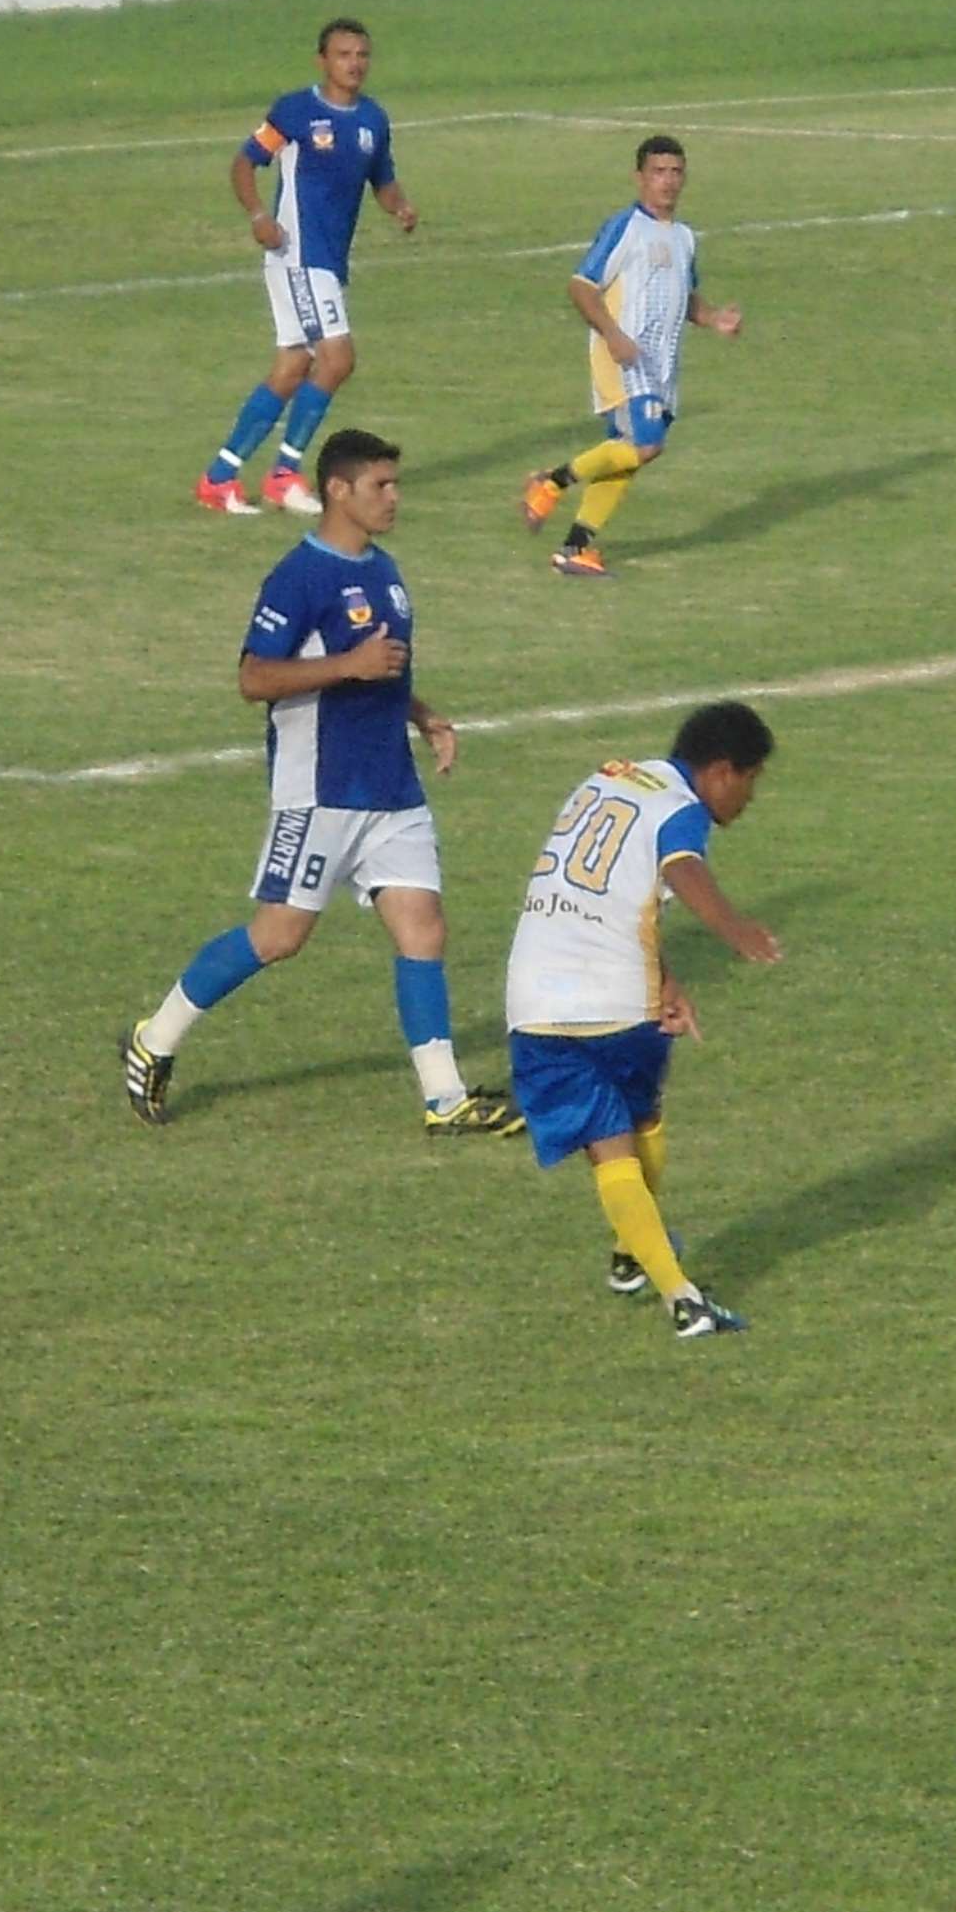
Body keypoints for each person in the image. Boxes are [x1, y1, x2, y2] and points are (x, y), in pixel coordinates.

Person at [126, 428, 523, 1136]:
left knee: (423, 928)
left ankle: (444, 1098)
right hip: (319, 790)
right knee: (279, 936)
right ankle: (156, 1037)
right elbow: (254, 678)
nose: (395, 497)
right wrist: (347, 667)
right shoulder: (298, 578)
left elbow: (385, 668)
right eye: (381, 485)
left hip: (391, 788)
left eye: (396, 483)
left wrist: (423, 715)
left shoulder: (387, 571)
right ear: (338, 490)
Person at [506, 701, 782, 1340]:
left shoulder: (607, 779)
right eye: (752, 779)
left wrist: (666, 979)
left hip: (532, 999)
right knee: (633, 1131)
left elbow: (603, 899)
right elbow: (682, 870)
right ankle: (681, 1298)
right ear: (720, 771)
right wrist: (734, 928)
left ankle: (635, 1253)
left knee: (611, 1147)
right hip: (610, 1000)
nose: (750, 796)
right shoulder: (681, 810)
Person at [204, 17, 418, 515]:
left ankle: (219, 478)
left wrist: (400, 207)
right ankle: (284, 474)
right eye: (344, 55)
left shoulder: (372, 121)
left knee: (293, 367)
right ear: (323, 60)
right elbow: (244, 163)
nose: (355, 64)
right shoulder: (296, 111)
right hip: (299, 254)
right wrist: (258, 215)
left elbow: (382, 181)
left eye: (362, 55)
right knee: (338, 359)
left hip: (327, 259)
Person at [519, 135, 744, 577]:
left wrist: (715, 318)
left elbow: (684, 296)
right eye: (658, 172)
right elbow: (581, 285)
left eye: (676, 172)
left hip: (661, 367)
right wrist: (613, 334)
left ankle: (575, 548)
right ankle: (551, 481)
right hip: (623, 359)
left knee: (627, 454)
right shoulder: (626, 227)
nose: (668, 181)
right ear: (639, 177)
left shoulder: (684, 238)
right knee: (646, 445)